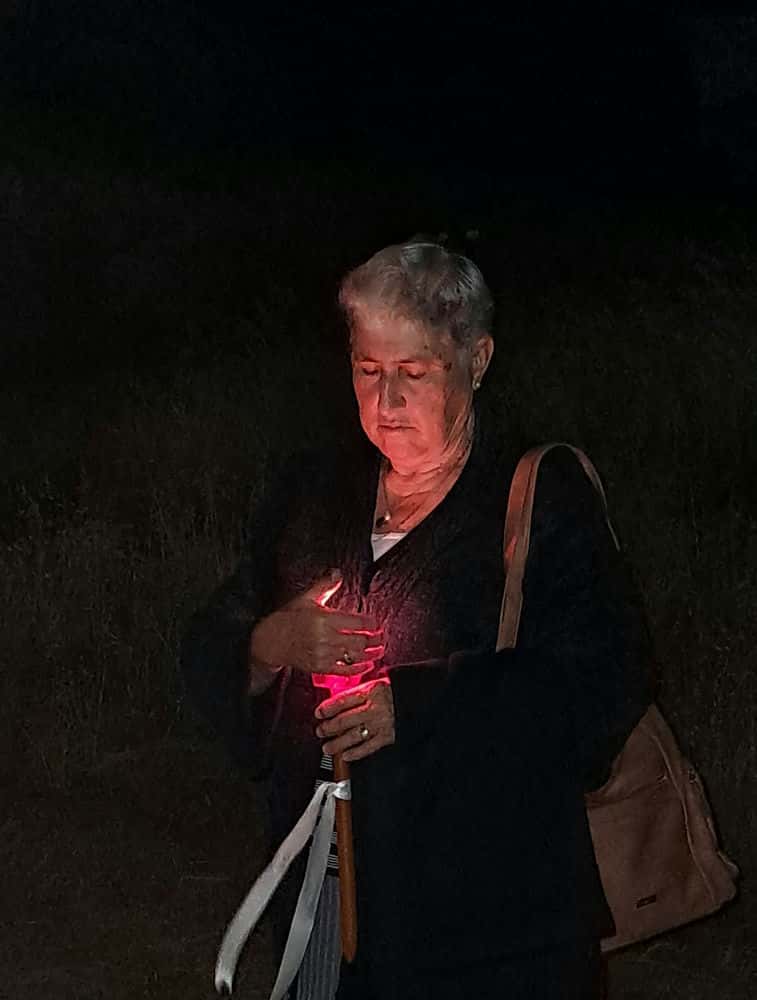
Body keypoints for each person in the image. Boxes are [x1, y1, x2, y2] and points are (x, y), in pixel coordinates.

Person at [180, 239, 652, 999]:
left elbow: (604, 679)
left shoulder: (534, 496)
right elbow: (213, 639)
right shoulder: (315, 492)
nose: (386, 402)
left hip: (488, 924)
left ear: (476, 359)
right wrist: (267, 643)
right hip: (328, 901)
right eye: (368, 370)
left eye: (415, 372)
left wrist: (421, 706)